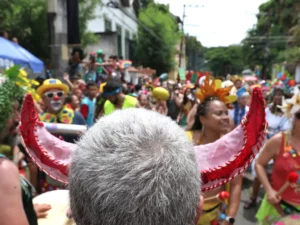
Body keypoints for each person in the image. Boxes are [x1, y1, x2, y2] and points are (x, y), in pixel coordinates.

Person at [186, 77, 241, 225]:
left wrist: (230, 218)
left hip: (214, 216)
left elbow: (236, 184)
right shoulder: (184, 141)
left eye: (226, 112)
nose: (225, 118)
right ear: (203, 119)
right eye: (219, 113)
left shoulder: (232, 147)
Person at [255, 88, 300, 224]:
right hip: (279, 207)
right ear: (293, 117)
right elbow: (259, 164)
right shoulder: (279, 141)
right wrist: (269, 190)